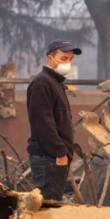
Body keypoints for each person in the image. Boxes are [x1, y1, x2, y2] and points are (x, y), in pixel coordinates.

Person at [26, 39, 82, 201]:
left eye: (70, 59)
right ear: (50, 58)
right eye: (63, 59)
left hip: (53, 158)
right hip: (48, 159)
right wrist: (60, 153)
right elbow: (42, 123)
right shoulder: (42, 83)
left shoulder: (54, 82)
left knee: (53, 203)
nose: (68, 63)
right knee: (49, 207)